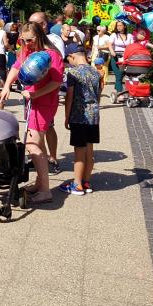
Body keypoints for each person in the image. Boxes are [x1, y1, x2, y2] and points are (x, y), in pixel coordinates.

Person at [0, 21, 64, 204]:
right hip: (32, 101)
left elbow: (56, 82)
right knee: (39, 144)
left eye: (29, 40)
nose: (26, 43)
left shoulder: (52, 55)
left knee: (32, 144)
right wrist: (6, 86)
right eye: (23, 40)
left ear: (39, 36)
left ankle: (45, 191)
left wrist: (35, 93)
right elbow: (16, 66)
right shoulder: (26, 49)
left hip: (44, 103)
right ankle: (40, 183)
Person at [61, 43, 102, 196]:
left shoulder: (73, 73)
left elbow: (69, 97)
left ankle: (77, 184)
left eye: (68, 59)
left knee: (79, 151)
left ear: (72, 56)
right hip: (94, 115)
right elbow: (98, 95)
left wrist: (67, 116)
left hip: (79, 116)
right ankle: (86, 181)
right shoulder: (96, 72)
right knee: (89, 150)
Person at [28, 11, 64, 174]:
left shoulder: (54, 43)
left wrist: (38, 92)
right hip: (32, 95)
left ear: (43, 25)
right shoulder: (32, 43)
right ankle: (41, 160)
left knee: (47, 128)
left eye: (34, 23)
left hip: (45, 98)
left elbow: (56, 75)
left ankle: (52, 158)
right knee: (36, 132)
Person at [109, 21, 133, 94]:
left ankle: (120, 92)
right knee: (118, 74)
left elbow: (132, 46)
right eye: (117, 26)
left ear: (124, 26)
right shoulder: (114, 35)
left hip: (126, 57)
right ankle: (119, 92)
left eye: (120, 25)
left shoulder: (129, 36)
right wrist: (112, 52)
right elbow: (109, 44)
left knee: (123, 74)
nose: (118, 27)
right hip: (116, 56)